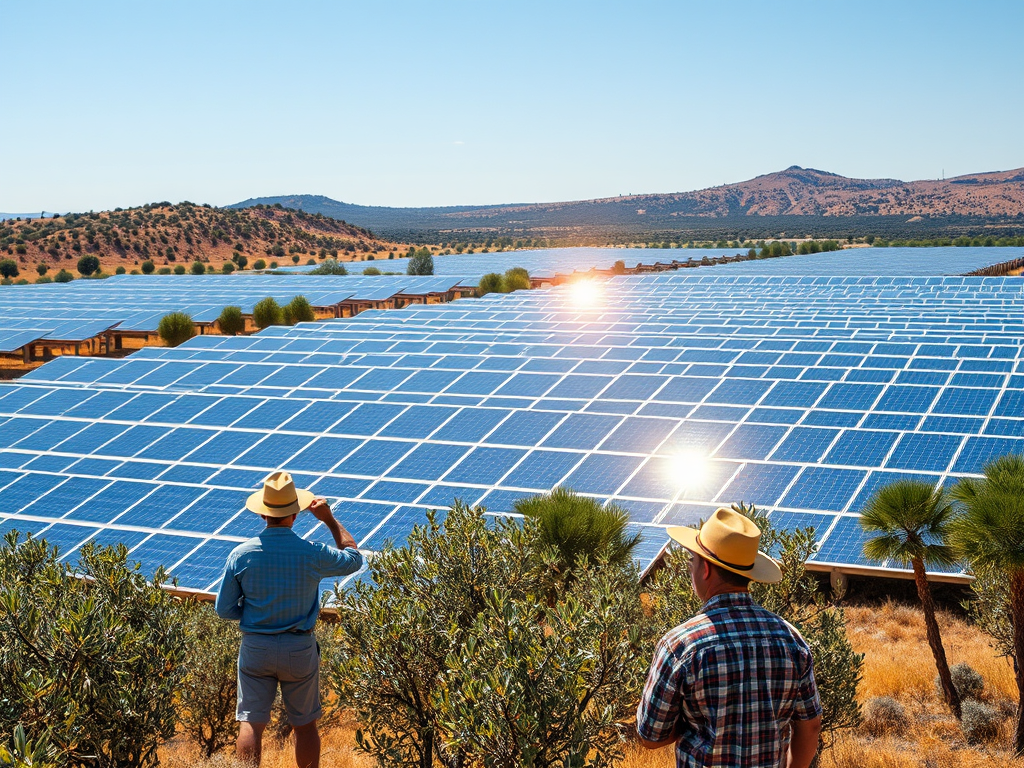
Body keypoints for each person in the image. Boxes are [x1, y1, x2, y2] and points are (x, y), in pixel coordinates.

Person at [636, 507, 822, 768]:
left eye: (693, 561)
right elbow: (810, 727)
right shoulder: (791, 639)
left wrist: (691, 722)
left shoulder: (680, 646)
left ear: (706, 570)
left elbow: (650, 737)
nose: (691, 569)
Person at [215, 471, 362, 768]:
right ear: (295, 513)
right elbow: (354, 559)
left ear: (263, 515)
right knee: (305, 725)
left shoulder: (241, 555)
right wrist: (329, 520)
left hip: (256, 647)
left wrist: (256, 616)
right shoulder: (312, 553)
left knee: (250, 723)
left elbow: (224, 609)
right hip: (299, 648)